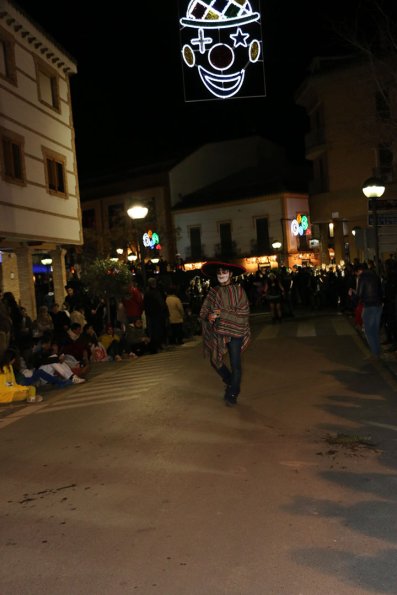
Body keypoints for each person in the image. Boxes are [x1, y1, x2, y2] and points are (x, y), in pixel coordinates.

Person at [199, 260, 250, 407]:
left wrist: (223, 313)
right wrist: (209, 316)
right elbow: (203, 311)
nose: (221, 275)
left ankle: (232, 394)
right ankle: (231, 381)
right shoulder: (213, 292)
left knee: (236, 364)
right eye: (219, 272)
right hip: (218, 332)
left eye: (224, 272)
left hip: (236, 331)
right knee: (214, 361)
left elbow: (244, 312)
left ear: (231, 274)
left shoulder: (239, 291)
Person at [355, 263, 383, 358]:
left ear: (360, 270)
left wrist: (353, 294)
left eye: (357, 272)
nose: (357, 274)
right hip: (378, 305)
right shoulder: (375, 276)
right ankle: (377, 350)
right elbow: (381, 290)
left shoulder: (362, 277)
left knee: (368, 330)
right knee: (375, 330)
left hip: (368, 306)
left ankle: (375, 353)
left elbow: (359, 294)